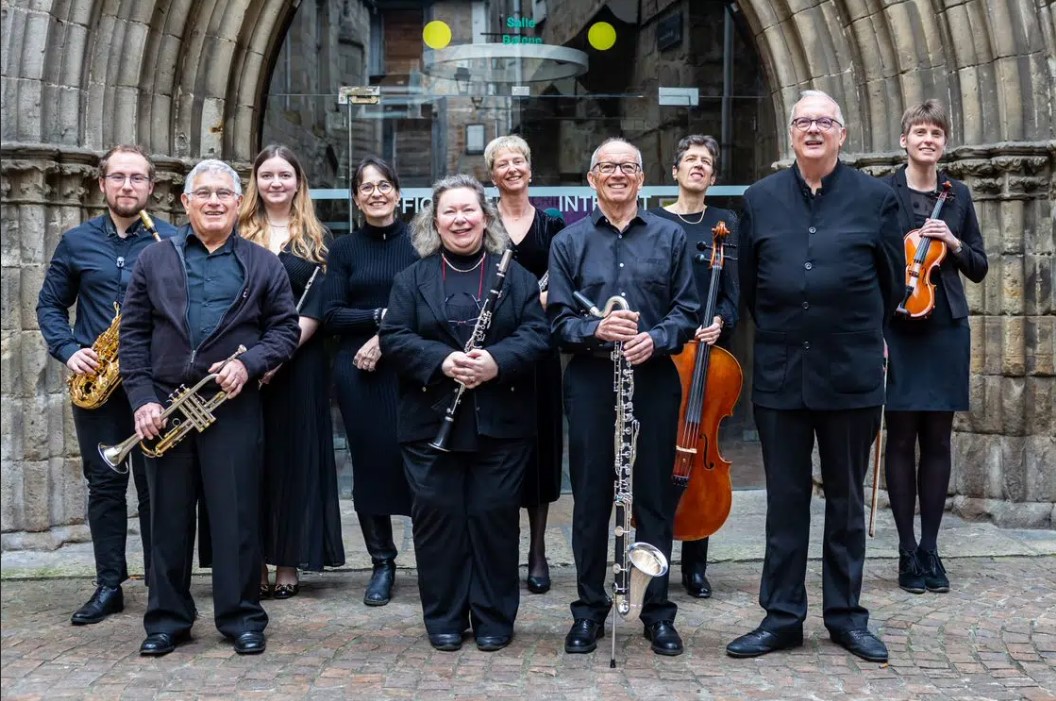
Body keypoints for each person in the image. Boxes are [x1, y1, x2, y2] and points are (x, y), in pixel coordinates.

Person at [728, 90, 903, 664]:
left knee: (848, 502)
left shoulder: (877, 199)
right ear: (790, 133)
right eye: (802, 120)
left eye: (823, 121)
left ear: (842, 134)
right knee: (785, 502)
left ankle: (846, 617)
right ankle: (781, 617)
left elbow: (894, 283)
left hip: (849, 374)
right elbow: (749, 286)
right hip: (781, 374)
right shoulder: (758, 199)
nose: (812, 129)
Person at [120, 159, 300, 656]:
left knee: (236, 517)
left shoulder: (264, 264)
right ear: (185, 202)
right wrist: (141, 400)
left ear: (240, 203)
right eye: (205, 193)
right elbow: (133, 337)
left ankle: (241, 617)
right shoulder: (153, 261)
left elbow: (284, 331)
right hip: (166, 408)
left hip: (232, 406)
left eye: (225, 193)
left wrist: (251, 365)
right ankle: (167, 620)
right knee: (167, 521)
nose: (215, 201)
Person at [379, 174, 549, 652]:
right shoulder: (410, 279)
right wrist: (442, 360)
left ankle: (494, 616)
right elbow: (394, 338)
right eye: (449, 211)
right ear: (435, 221)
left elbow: (537, 335)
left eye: (468, 210)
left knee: (495, 519)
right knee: (438, 522)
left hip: (500, 421)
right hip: (431, 418)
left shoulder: (513, 275)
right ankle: (446, 617)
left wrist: (496, 362)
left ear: (485, 217)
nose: (459, 219)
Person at [548, 137, 699, 657]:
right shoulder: (568, 243)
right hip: (592, 383)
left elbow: (688, 312)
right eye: (607, 167)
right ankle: (589, 611)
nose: (618, 174)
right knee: (591, 499)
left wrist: (653, 339)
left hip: (653, 379)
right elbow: (557, 321)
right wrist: (597, 330)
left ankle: (655, 612)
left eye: (628, 167)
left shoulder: (671, 236)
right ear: (591, 179)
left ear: (641, 178)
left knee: (654, 498)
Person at [36, 145, 177, 625]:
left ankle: (164, 583)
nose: (127, 186)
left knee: (158, 487)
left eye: (137, 178)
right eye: (118, 177)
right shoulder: (76, 243)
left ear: (151, 187)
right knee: (104, 485)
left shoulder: (171, 241)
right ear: (101, 184)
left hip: (154, 383)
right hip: (97, 383)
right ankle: (109, 584)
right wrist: (67, 348)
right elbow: (50, 305)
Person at [880, 100, 988, 595]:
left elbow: (980, 265)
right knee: (901, 437)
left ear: (944, 143)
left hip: (945, 325)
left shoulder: (958, 195)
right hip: (900, 326)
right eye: (919, 131)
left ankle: (930, 547)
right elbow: (873, 263)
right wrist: (877, 332)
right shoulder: (884, 192)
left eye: (936, 133)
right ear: (904, 140)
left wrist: (955, 243)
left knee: (938, 439)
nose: (928, 139)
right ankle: (905, 549)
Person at [239, 144, 345, 599]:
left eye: (285, 175)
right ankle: (252, 560)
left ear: (298, 183)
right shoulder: (237, 233)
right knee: (248, 463)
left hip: (297, 366)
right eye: (267, 175)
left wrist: (276, 355)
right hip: (240, 364)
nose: (276, 183)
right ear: (256, 182)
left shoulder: (317, 240)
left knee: (292, 462)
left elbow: (320, 306)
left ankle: (287, 562)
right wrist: (252, 359)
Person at [324, 157, 418, 606]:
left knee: (422, 462)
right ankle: (382, 562)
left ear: (398, 192)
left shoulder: (422, 241)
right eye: (367, 187)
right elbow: (331, 314)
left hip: (413, 369)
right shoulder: (343, 249)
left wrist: (384, 335)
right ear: (357, 198)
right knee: (370, 465)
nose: (377, 193)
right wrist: (378, 315)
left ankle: (434, 558)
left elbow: (429, 305)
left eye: (384, 185)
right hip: (358, 374)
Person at [650, 134, 739, 600]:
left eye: (707, 161)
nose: (698, 166)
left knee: (699, 444)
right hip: (668, 353)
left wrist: (720, 321)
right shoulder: (653, 222)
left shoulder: (725, 223)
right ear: (675, 170)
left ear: (714, 175)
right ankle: (655, 553)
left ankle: (696, 564)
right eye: (690, 159)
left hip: (706, 352)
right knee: (661, 452)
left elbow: (733, 293)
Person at [485, 135, 565, 594]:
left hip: (538, 349)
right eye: (502, 163)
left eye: (519, 160)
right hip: (494, 350)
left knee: (540, 448)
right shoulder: (482, 219)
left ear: (530, 170)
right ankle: (503, 550)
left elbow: (566, 279)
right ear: (492, 174)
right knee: (498, 451)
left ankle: (537, 552)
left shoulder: (553, 222)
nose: (512, 168)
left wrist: (537, 301)